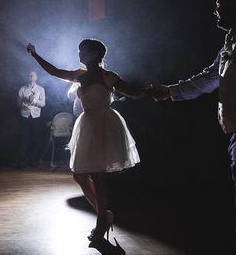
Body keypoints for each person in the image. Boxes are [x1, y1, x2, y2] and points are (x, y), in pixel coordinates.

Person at [152, 0, 236, 252]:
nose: (215, 12)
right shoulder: (230, 43)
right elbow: (210, 78)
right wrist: (170, 92)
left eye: (221, 7)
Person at [27, 39, 146, 243]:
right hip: (88, 123)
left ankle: (101, 220)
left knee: (98, 176)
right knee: (80, 175)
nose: (79, 55)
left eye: (82, 51)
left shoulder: (108, 76)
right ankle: (104, 215)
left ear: (94, 54)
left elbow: (133, 93)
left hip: (105, 123)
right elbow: (55, 71)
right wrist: (35, 55)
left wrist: (155, 91)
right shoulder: (79, 75)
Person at [17, 70, 46, 168]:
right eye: (29, 75)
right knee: (24, 139)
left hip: (36, 117)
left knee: (36, 139)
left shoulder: (41, 89)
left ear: (36, 77)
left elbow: (43, 104)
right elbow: (18, 104)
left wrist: (33, 102)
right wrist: (25, 101)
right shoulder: (22, 89)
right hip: (24, 116)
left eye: (32, 75)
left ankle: (34, 161)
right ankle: (22, 161)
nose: (30, 77)